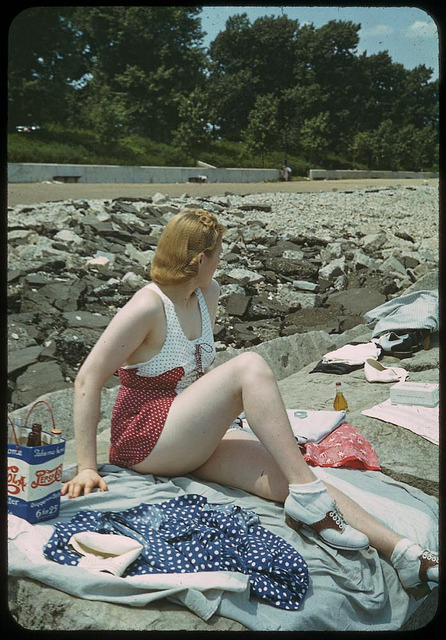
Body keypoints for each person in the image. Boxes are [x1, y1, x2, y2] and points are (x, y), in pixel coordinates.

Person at [62, 208, 438, 594]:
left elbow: (196, 378)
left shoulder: (206, 294)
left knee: (293, 474)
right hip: (145, 438)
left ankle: (404, 554)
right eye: (218, 253)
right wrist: (88, 466)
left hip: (187, 432)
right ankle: (311, 502)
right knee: (250, 367)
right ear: (200, 258)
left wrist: (227, 419)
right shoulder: (148, 305)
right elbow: (88, 379)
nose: (221, 261)